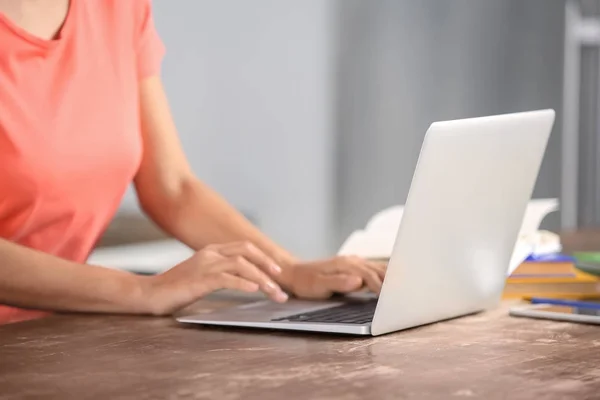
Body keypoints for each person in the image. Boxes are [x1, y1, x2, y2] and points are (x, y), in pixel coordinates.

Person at [0, 0, 385, 323]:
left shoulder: (117, 8)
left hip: (47, 335)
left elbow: (172, 189)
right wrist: (141, 290)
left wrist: (287, 271)